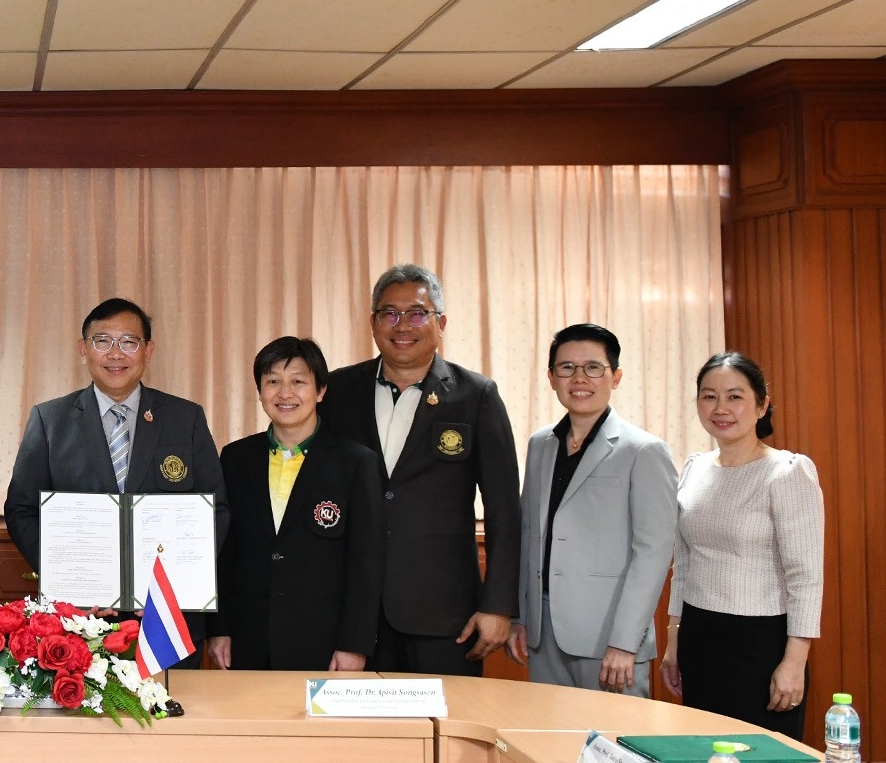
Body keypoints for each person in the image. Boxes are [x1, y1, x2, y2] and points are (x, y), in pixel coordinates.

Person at [4, 297, 228, 666]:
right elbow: (22, 509)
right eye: (102, 341)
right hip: (78, 619)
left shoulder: (185, 418)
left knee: (177, 718)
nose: (115, 354)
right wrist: (70, 576)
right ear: (83, 350)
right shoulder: (50, 420)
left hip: (167, 617)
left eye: (129, 342)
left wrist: (177, 579)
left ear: (148, 351)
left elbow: (215, 509)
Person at [320, 264, 520, 675]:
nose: (402, 325)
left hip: (446, 617)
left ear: (440, 322)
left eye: (416, 313)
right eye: (389, 313)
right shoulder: (338, 391)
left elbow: (504, 510)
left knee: (444, 731)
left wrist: (498, 605)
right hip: (354, 614)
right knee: (359, 736)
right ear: (373, 323)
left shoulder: (476, 396)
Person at [507, 324, 677, 696]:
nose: (579, 378)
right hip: (542, 631)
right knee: (550, 746)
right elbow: (528, 534)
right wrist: (520, 617)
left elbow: (653, 553)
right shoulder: (540, 444)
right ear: (551, 378)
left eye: (593, 368)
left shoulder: (644, 450)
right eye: (567, 368)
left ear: (615, 377)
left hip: (609, 639)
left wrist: (624, 642)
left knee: (614, 748)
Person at [661, 352, 822, 736]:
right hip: (699, 636)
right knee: (706, 750)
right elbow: (683, 562)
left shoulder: (786, 471)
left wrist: (794, 661)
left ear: (762, 404)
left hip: (761, 644)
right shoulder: (695, 468)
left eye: (735, 396)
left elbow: (806, 577)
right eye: (708, 396)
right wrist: (674, 637)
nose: (721, 408)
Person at [208, 336, 384, 671]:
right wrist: (220, 629)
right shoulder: (235, 458)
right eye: (273, 381)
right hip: (247, 640)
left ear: (320, 391)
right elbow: (224, 553)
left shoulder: (355, 462)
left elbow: (366, 562)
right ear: (260, 392)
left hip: (324, 643)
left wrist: (354, 644)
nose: (285, 393)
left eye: (298, 382)